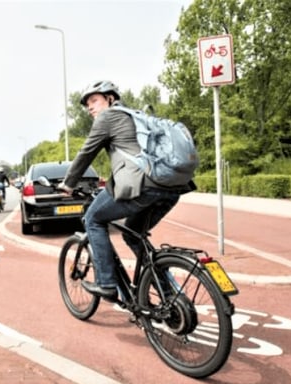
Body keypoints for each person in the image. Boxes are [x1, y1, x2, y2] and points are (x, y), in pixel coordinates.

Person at [58, 80, 195, 301]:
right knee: (133, 234)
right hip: (171, 188)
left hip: (142, 186)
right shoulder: (135, 115)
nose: (90, 107)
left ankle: (107, 284)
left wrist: (68, 184)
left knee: (93, 218)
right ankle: (170, 296)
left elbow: (86, 152)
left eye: (94, 100)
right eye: (87, 105)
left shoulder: (108, 117)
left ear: (110, 99)